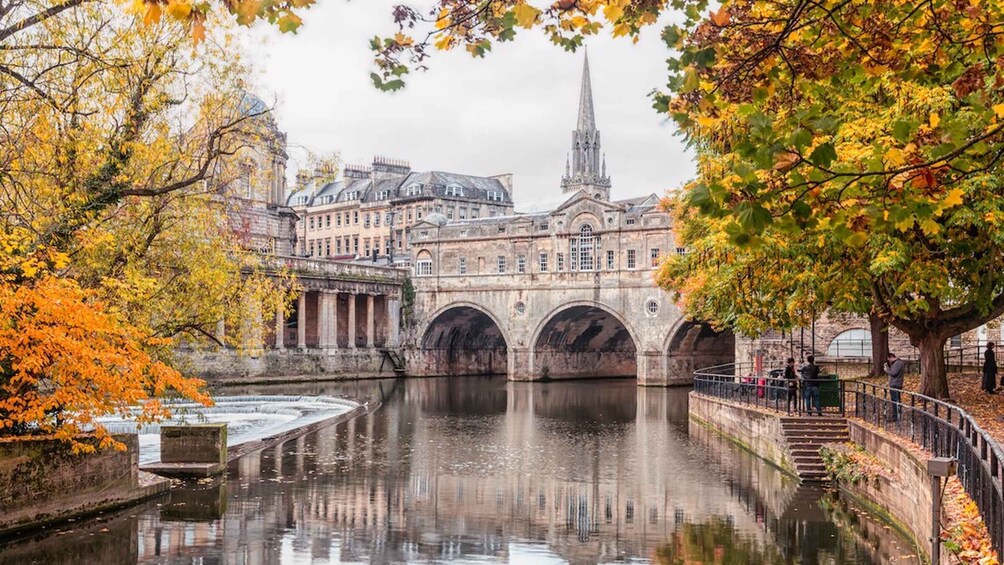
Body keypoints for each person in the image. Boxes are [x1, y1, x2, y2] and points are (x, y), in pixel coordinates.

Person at [884, 352, 905, 421]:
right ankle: (897, 414)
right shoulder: (897, 363)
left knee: (895, 400)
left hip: (895, 384)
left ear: (891, 357)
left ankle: (896, 416)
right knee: (896, 400)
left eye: (889, 359)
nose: (889, 361)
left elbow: (893, 373)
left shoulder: (898, 363)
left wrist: (887, 370)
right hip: (896, 383)